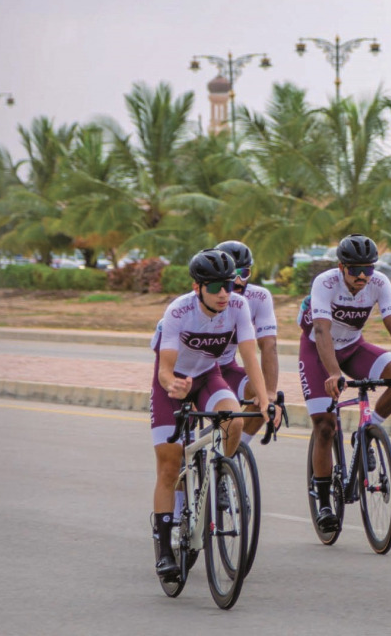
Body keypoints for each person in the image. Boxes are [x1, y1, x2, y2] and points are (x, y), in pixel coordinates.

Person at [150, 248, 271, 582]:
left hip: (207, 375)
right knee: (170, 465)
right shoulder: (179, 311)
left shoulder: (237, 306)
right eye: (215, 286)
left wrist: (263, 400)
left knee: (233, 420)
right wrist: (173, 387)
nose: (223, 293)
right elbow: (164, 370)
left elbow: (250, 354)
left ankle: (219, 476)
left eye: (228, 285)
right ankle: (163, 549)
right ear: (197, 286)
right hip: (174, 383)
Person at [298, 233, 391, 534]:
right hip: (318, 352)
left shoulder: (379, 283)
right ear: (342, 268)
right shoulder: (325, 283)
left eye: (369, 269)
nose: (363, 276)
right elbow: (323, 332)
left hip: (353, 346)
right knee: (325, 426)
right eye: (356, 270)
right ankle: (325, 500)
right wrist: (333, 373)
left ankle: (367, 431)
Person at [213, 240, 278, 441]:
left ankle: (233, 457)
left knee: (262, 396)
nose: (239, 281)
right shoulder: (207, 297)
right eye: (233, 274)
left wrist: (270, 392)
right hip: (195, 371)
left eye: (245, 272)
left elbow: (268, 345)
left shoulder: (258, 297)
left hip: (226, 367)